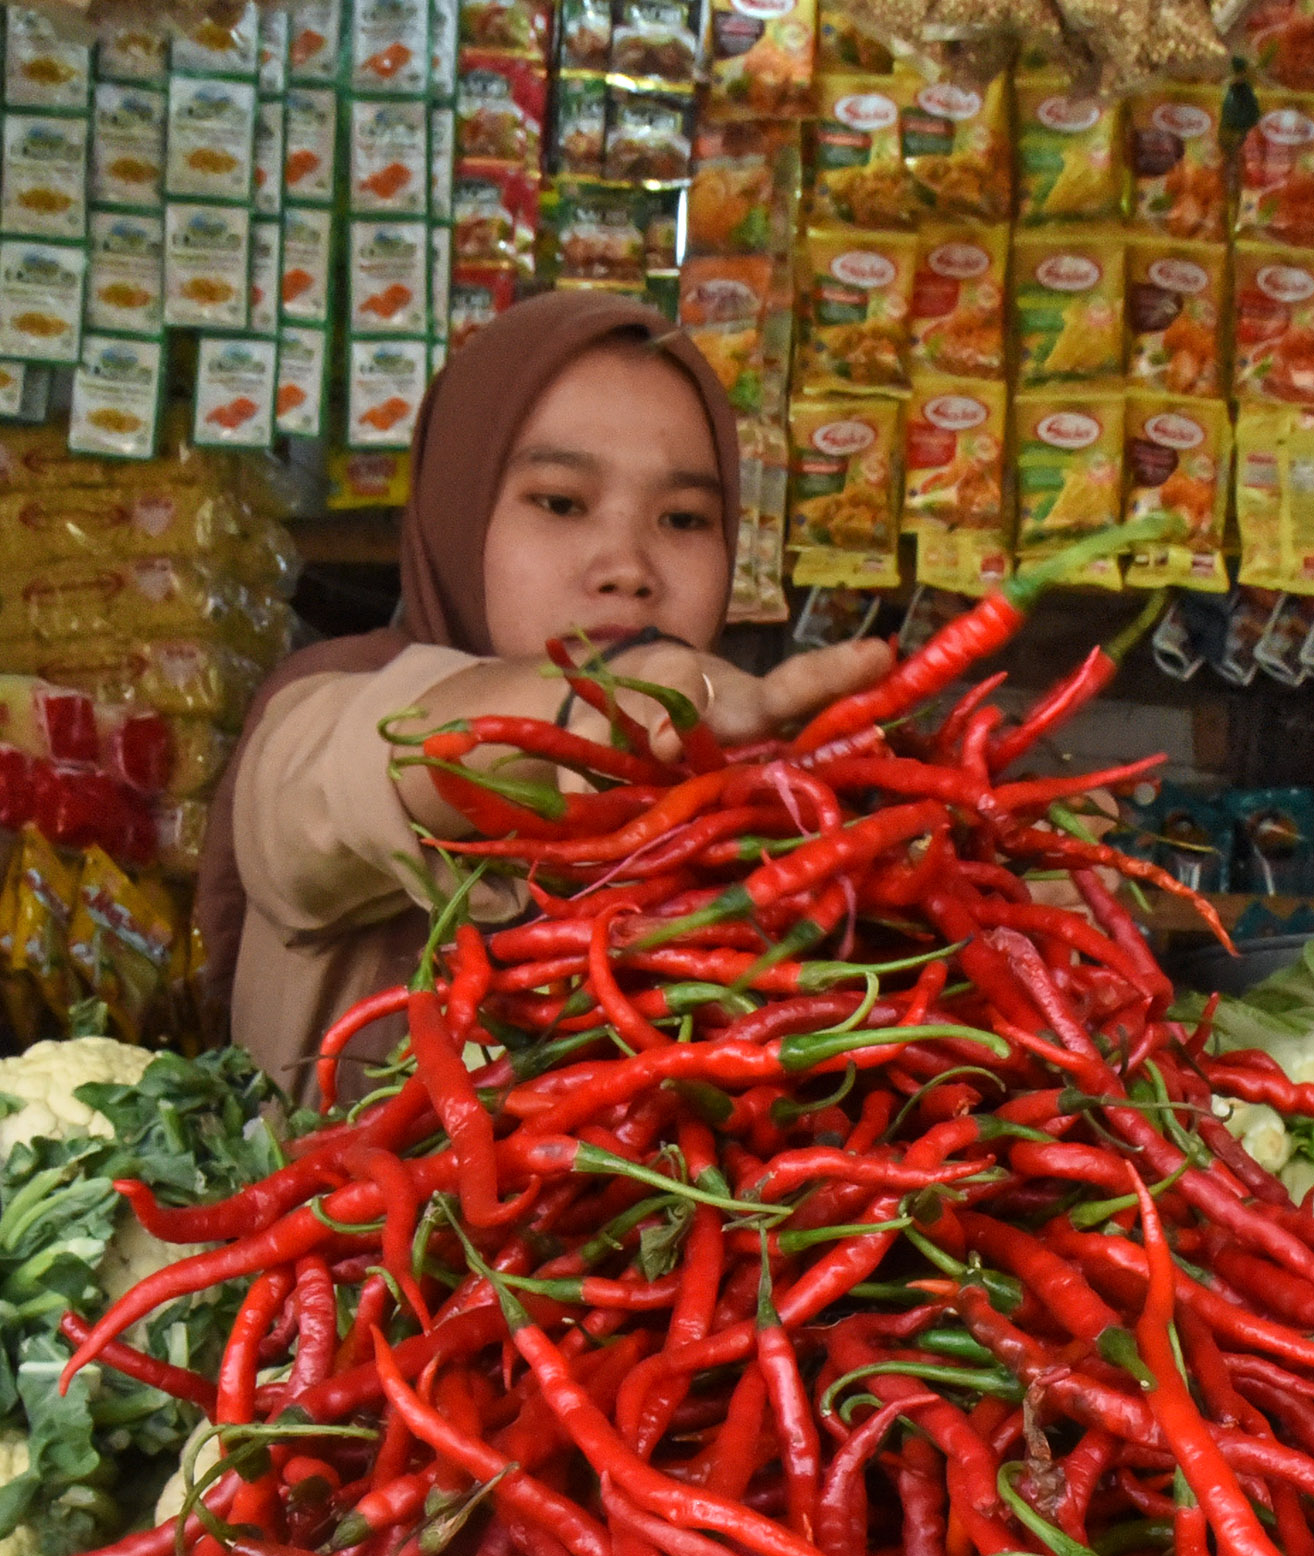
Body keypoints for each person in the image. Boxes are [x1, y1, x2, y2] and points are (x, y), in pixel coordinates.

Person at [198, 290, 894, 1095]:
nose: (628, 567)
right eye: (560, 503)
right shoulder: (323, 701)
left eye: (685, 519)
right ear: (458, 511)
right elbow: (356, 769)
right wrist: (589, 707)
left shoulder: (763, 797)